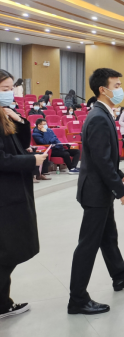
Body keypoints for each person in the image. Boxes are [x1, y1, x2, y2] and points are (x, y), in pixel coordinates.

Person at [68, 68, 124, 315]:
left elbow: (103, 156)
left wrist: (120, 174)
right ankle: (77, 299)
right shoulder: (99, 116)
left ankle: (119, 274)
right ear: (103, 89)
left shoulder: (102, 113)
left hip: (99, 189)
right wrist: (120, 189)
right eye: (116, 85)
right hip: (95, 192)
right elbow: (100, 160)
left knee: (108, 236)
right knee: (88, 245)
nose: (120, 89)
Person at [0, 69, 48, 320]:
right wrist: (32, 160)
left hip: (13, 190)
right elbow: (2, 159)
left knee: (8, 251)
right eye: (5, 89)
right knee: (7, 251)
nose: (10, 94)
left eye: (11, 89)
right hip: (5, 195)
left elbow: (19, 143)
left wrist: (18, 119)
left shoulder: (4, 114)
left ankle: (3, 302)